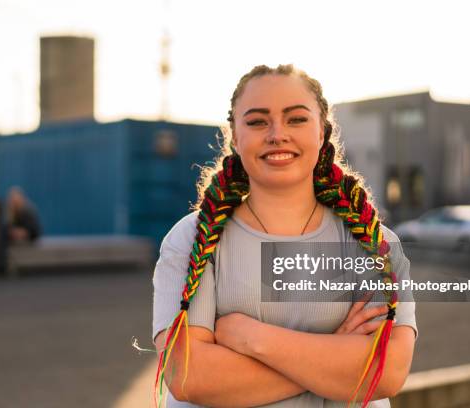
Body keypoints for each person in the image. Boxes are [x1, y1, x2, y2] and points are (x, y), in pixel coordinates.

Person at [152, 64, 417, 408]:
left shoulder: (371, 242)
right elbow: (188, 376)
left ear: (322, 132)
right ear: (235, 136)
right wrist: (332, 358)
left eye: (296, 119)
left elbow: (388, 372)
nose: (277, 134)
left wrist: (252, 339)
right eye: (257, 121)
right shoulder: (193, 240)